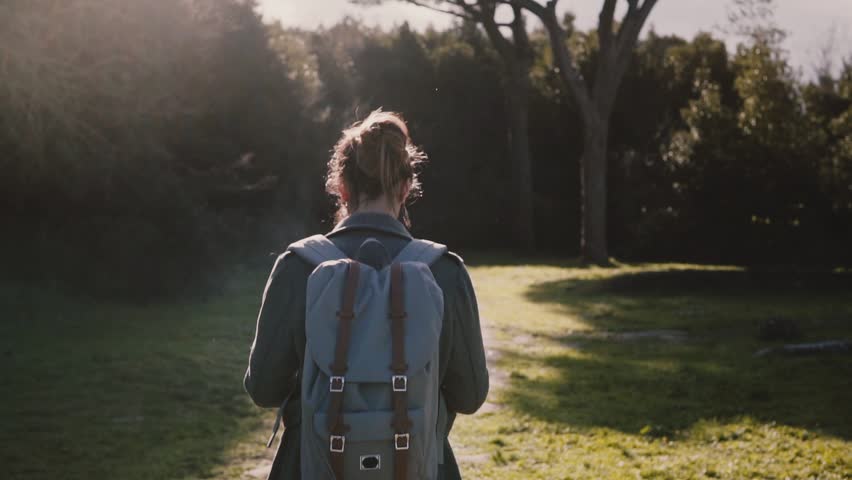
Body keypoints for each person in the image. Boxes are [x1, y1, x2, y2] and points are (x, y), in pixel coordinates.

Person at [244, 109, 489, 479]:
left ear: (341, 188)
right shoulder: (444, 270)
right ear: (406, 188)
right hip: (418, 465)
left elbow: (264, 388)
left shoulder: (298, 266)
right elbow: (469, 396)